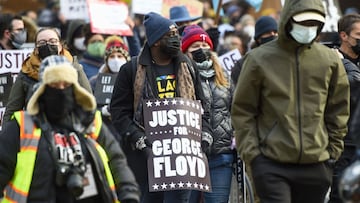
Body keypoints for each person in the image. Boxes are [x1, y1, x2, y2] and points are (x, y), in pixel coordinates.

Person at [231, 0, 350, 202]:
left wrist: (332, 153)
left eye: (314, 23)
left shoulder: (329, 60)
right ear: (287, 20)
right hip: (271, 163)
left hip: (317, 163)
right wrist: (254, 157)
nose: (308, 28)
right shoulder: (258, 60)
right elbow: (243, 111)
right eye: (303, 22)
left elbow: (338, 109)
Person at [0, 55, 140, 203]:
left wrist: (129, 194)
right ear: (41, 90)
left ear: (75, 89)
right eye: (54, 85)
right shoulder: (21, 126)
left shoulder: (91, 122)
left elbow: (116, 161)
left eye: (66, 85)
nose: (61, 90)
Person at [110, 12, 212, 203]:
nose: (176, 39)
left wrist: (205, 134)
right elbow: (118, 112)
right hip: (145, 161)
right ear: (156, 41)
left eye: (176, 34)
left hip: (182, 162)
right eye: (171, 35)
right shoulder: (131, 70)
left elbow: (202, 105)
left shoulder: (188, 66)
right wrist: (137, 137)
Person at [181, 24, 234, 203]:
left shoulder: (225, 76)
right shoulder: (178, 76)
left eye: (205, 46)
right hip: (188, 159)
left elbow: (235, 109)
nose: (201, 50)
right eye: (195, 47)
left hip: (220, 155)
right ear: (185, 52)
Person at [3, 27, 91, 124]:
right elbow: (13, 108)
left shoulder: (74, 68)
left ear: (60, 45)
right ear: (36, 49)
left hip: (69, 126)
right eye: (42, 42)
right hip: (36, 128)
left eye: (52, 41)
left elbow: (87, 100)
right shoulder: (27, 71)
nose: (48, 45)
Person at [329, 13, 360, 203]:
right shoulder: (330, 60)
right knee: (339, 196)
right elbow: (347, 83)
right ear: (344, 36)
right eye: (358, 35)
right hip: (342, 143)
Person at [90, 35, 130, 140]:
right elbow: (89, 107)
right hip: (107, 131)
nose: (116, 60)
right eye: (112, 57)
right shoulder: (95, 82)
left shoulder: (134, 79)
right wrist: (102, 111)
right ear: (106, 60)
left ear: (126, 58)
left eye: (120, 56)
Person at [231, 15, 278, 84]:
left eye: (275, 32)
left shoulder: (285, 57)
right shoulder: (244, 63)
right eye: (268, 32)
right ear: (258, 38)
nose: (273, 35)